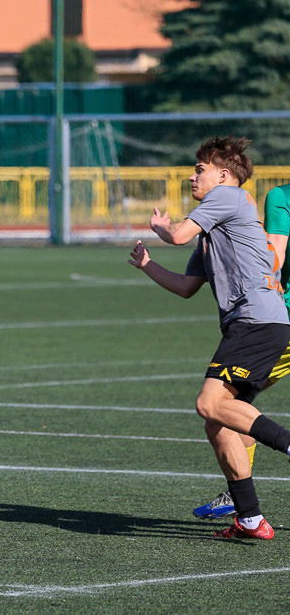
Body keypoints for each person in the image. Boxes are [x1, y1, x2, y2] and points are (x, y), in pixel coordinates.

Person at [128, 135, 290, 540]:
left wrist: (164, 229)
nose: (191, 176)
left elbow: (179, 234)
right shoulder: (214, 232)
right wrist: (148, 265)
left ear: (222, 175)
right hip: (253, 324)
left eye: (199, 169)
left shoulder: (227, 197)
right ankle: (249, 519)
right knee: (219, 421)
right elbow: (186, 287)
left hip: (257, 321)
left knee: (208, 403)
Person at [192, 180, 290, 519]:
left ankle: (242, 499)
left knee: (219, 407)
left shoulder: (281, 196)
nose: (192, 177)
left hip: (276, 321)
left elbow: (274, 258)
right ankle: (243, 504)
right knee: (230, 407)